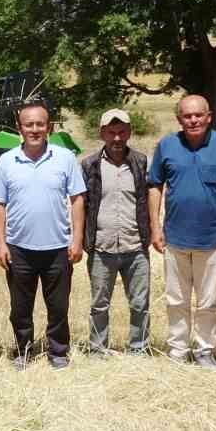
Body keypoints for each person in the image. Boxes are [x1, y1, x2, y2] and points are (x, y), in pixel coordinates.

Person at [147, 94, 216, 368]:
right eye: (187, 116)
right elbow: (155, 185)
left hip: (213, 239)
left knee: (208, 301)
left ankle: (205, 350)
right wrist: (155, 227)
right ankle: (178, 349)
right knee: (175, 299)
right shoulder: (167, 145)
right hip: (175, 238)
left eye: (198, 115)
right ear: (179, 119)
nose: (193, 120)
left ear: (209, 116)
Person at [0, 101, 87, 369]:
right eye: (28, 124)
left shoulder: (64, 158)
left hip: (58, 247)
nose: (34, 129)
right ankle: (24, 350)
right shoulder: (6, 161)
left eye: (40, 124)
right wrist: (1, 244)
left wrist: (77, 240)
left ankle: (57, 352)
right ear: (19, 128)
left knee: (58, 306)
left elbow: (78, 198)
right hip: (18, 247)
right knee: (20, 307)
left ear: (49, 127)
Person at [79, 109, 152, 356]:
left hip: (135, 246)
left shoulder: (140, 162)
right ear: (102, 134)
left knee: (140, 304)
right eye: (111, 133)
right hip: (102, 246)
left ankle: (138, 349)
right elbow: (82, 204)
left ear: (129, 132)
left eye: (122, 132)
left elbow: (148, 199)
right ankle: (98, 350)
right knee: (99, 304)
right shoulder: (89, 165)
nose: (117, 138)